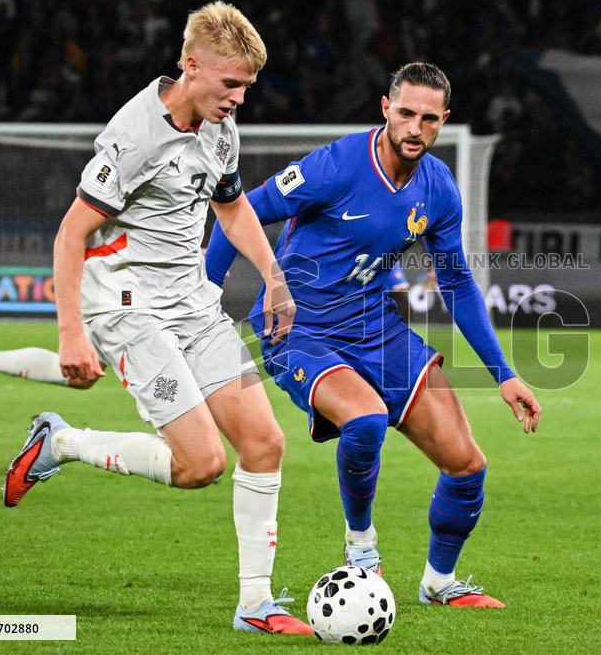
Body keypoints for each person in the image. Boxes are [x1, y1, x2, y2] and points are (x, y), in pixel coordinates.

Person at [0, 2, 311, 636]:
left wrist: (273, 277)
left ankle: (255, 606)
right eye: (230, 84)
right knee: (201, 465)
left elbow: (231, 207)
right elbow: (69, 235)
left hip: (193, 302)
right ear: (191, 66)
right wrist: (70, 332)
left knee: (265, 443)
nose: (239, 98)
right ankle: (62, 442)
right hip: (127, 309)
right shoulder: (134, 135)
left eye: (247, 86)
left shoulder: (221, 128)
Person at [205, 62, 542, 608]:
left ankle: (438, 582)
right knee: (364, 420)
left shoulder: (438, 188)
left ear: (443, 121)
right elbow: (239, 208)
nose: (415, 127)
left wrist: (504, 374)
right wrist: (208, 296)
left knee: (467, 465)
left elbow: (456, 281)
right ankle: (361, 548)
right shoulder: (336, 166)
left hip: (376, 327)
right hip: (302, 329)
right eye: (405, 113)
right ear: (385, 108)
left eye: (428, 119)